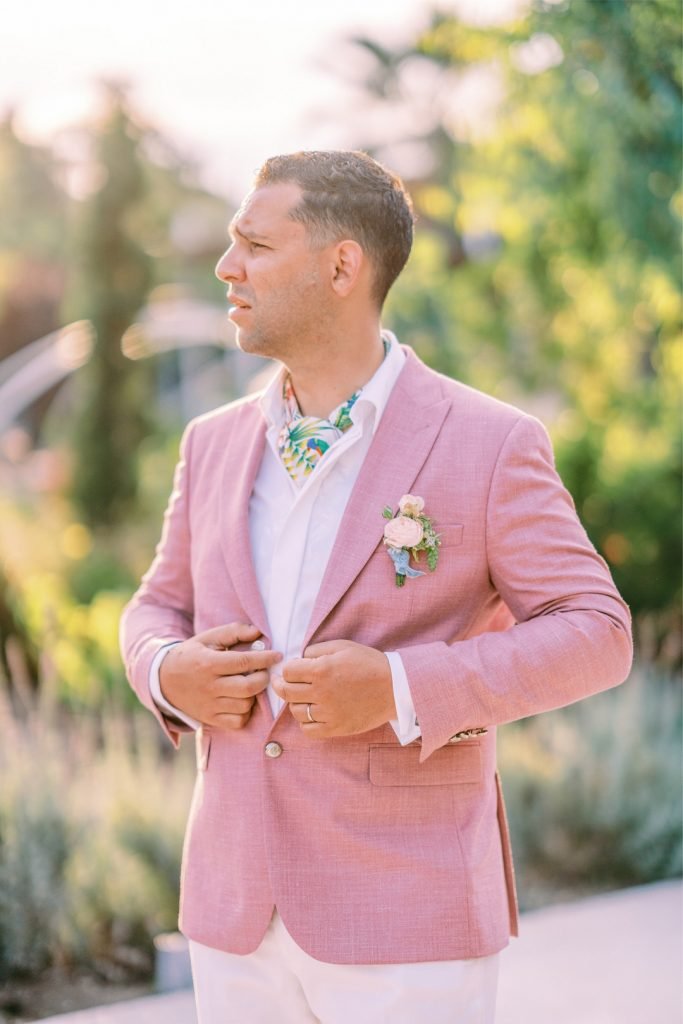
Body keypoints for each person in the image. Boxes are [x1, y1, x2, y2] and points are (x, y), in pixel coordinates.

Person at [120, 150, 632, 1023]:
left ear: (341, 266)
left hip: (410, 915)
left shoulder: (489, 441)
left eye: (253, 244)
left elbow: (597, 631)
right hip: (234, 912)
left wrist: (398, 687)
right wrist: (167, 670)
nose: (225, 267)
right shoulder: (209, 441)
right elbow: (154, 605)